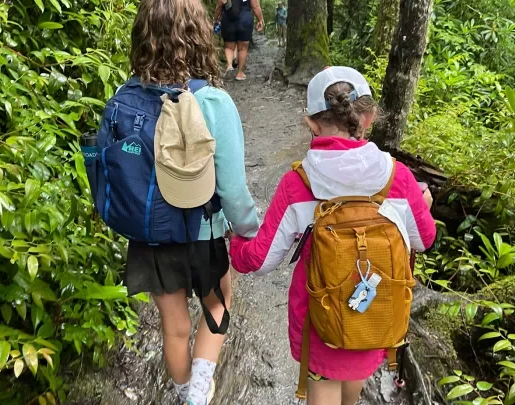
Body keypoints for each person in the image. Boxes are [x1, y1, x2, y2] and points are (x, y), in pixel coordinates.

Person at [229, 67, 436, 405]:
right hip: (375, 315)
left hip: (320, 319)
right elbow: (424, 241)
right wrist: (422, 207)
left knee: (322, 384)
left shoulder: (299, 184)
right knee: (353, 384)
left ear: (310, 123)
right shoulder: (397, 178)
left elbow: (261, 261)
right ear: (368, 117)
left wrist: (235, 242)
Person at [127, 1, 260, 404]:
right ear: (199, 38)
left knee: (175, 327)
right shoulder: (214, 102)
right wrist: (250, 231)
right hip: (204, 235)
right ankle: (198, 394)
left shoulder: (125, 98)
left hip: (151, 236)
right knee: (218, 306)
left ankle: (182, 390)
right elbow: (234, 192)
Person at [215, 0, 264, 81]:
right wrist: (260, 20)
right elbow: (255, 6)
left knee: (229, 47)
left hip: (228, 20)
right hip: (245, 20)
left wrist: (215, 19)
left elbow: (219, 6)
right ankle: (239, 73)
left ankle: (230, 66)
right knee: (243, 48)